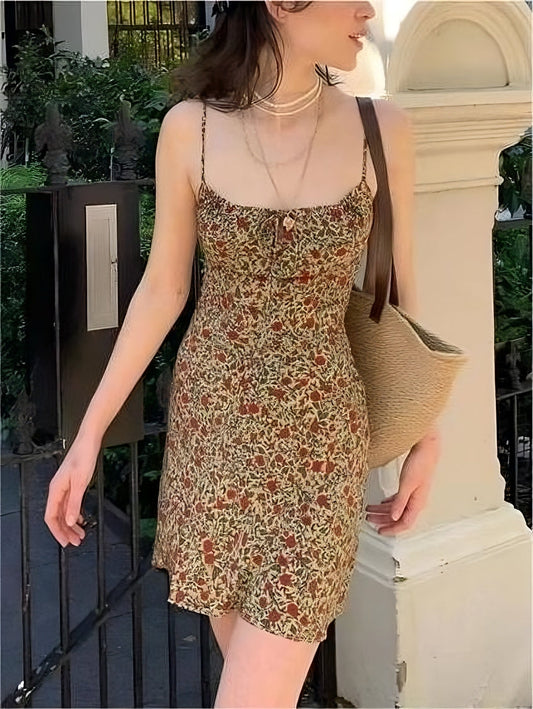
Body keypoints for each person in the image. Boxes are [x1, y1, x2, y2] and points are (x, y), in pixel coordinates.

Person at [45, 1, 441, 706]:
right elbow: (162, 291)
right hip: (212, 440)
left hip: (319, 447)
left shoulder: (383, 131)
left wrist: (426, 433)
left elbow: (400, 296)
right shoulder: (189, 129)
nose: (367, 10)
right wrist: (89, 435)